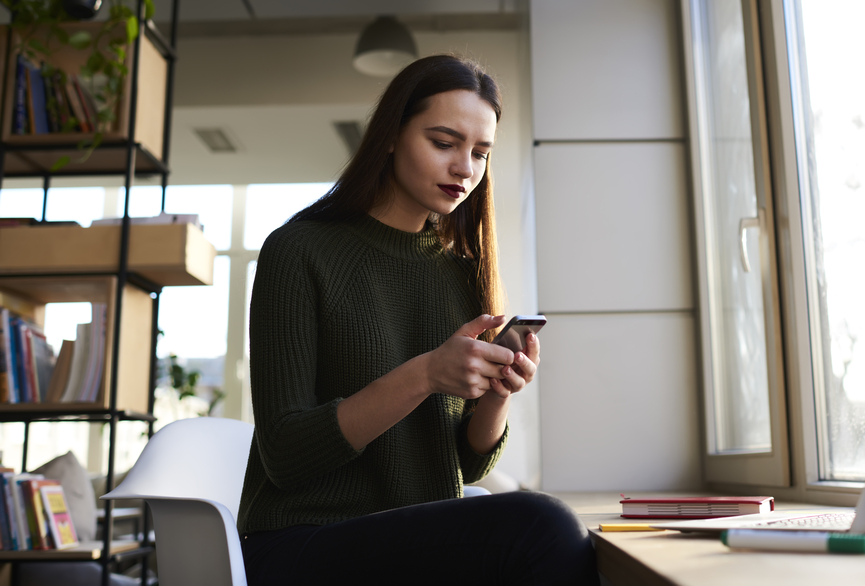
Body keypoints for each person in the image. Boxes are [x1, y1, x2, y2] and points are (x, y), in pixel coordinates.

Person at [237, 54, 599, 585]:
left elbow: (466, 467)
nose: (465, 169)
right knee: (540, 525)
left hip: (411, 535)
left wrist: (497, 391)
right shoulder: (297, 251)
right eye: (443, 143)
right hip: (299, 542)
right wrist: (427, 374)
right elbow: (287, 455)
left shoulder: (459, 273)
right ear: (390, 136)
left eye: (480, 153)